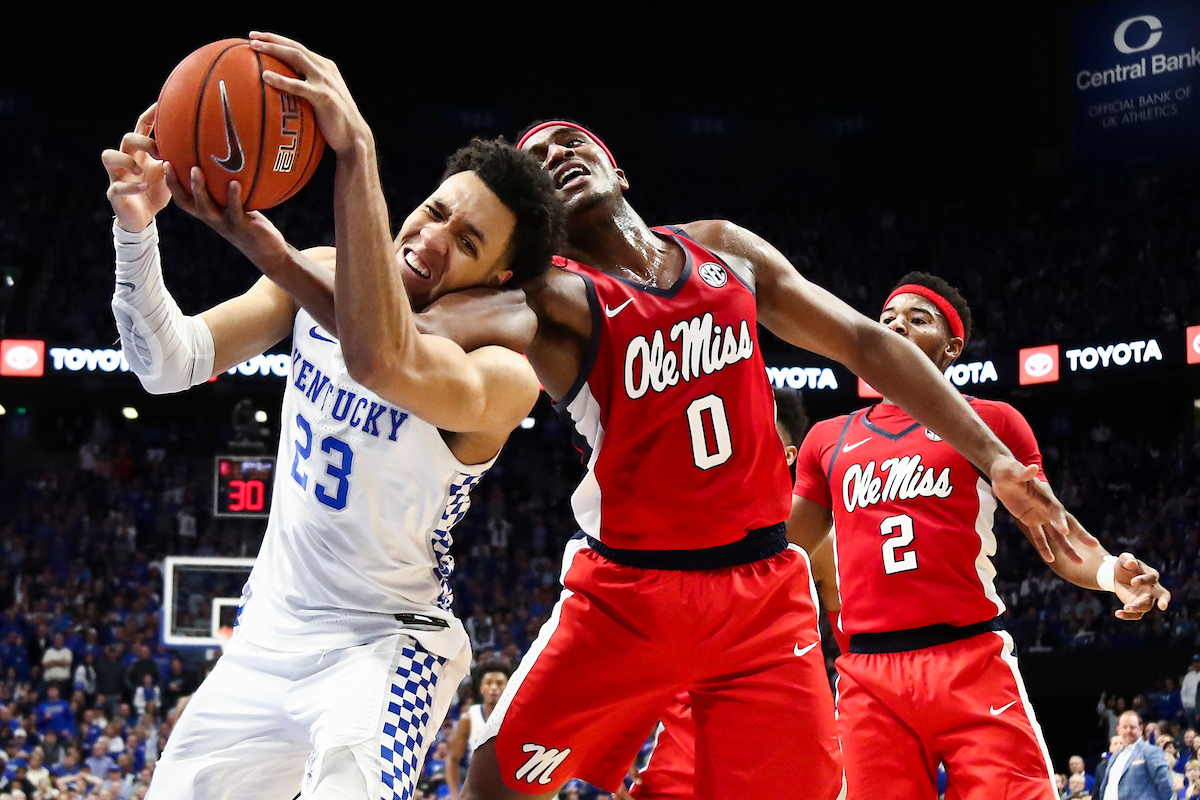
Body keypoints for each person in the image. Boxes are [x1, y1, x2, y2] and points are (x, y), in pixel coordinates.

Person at [198, 108, 1092, 799]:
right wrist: (272, 243)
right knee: (496, 777)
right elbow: (390, 341)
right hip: (628, 599)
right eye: (538, 161)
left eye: (570, 142)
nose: (555, 156)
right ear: (538, 234)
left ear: (617, 168)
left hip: (761, 600)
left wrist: (994, 457)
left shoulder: (722, 252)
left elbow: (864, 342)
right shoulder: (548, 303)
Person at [100, 32, 562, 799]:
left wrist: (356, 157)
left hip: (385, 645)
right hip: (266, 635)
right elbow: (167, 364)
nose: (432, 239)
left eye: (467, 240)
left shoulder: (505, 374)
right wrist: (136, 228)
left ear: (499, 276)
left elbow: (386, 357)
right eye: (437, 211)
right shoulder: (319, 273)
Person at [782, 274, 1170, 799]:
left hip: (968, 659)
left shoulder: (992, 424)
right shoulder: (827, 438)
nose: (896, 326)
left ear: (951, 347)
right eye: (887, 319)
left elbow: (1051, 537)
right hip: (867, 673)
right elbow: (784, 546)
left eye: (918, 319)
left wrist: (1108, 574)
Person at [446, 663, 512, 799]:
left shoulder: (517, 716)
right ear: (481, 689)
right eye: (488, 683)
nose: (494, 688)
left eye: (499, 683)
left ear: (508, 688)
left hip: (509, 788)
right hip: (478, 789)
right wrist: (454, 794)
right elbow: (453, 758)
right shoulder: (469, 717)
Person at [1096, 711, 1173, 800]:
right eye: (1125, 727)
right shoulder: (1114, 757)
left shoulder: (1151, 751)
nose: (1129, 730)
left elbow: (1165, 784)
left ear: (1140, 729)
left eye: (1132, 727)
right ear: (1118, 730)